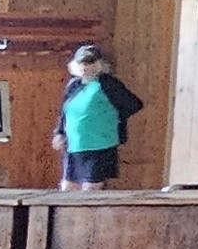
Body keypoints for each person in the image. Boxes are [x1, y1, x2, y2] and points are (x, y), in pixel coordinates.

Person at [55, 44, 143, 187]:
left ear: (99, 64)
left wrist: (110, 120)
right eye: (82, 63)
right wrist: (60, 133)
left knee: (91, 190)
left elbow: (134, 104)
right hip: (75, 146)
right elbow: (65, 111)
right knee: (67, 188)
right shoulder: (74, 85)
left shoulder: (108, 84)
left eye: (90, 62)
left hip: (100, 147)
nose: (85, 67)